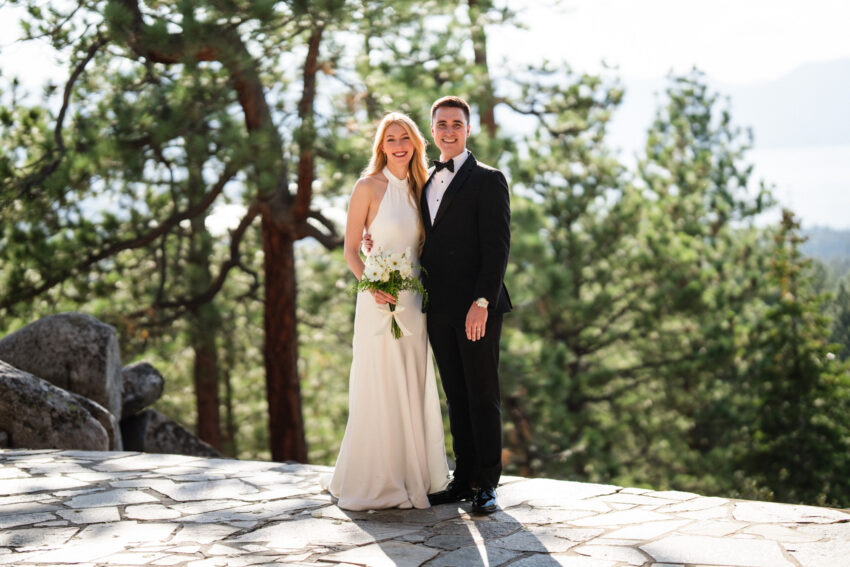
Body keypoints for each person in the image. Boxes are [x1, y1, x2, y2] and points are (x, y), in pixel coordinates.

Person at [326, 112, 450, 511]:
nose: (398, 145)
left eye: (406, 138)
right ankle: (377, 477)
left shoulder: (423, 187)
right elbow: (350, 250)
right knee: (379, 382)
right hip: (377, 300)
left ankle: (418, 474)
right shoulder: (367, 186)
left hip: (414, 301)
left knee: (412, 381)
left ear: (416, 144)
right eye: (391, 139)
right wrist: (373, 286)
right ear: (381, 146)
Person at [419, 96, 511, 514]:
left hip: (477, 308)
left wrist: (481, 302)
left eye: (457, 123)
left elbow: (497, 249)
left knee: (482, 394)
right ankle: (464, 478)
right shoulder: (425, 181)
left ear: (467, 129)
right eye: (442, 124)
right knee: (455, 395)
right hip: (438, 308)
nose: (449, 130)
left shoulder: (489, 179)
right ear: (433, 128)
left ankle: (488, 484)